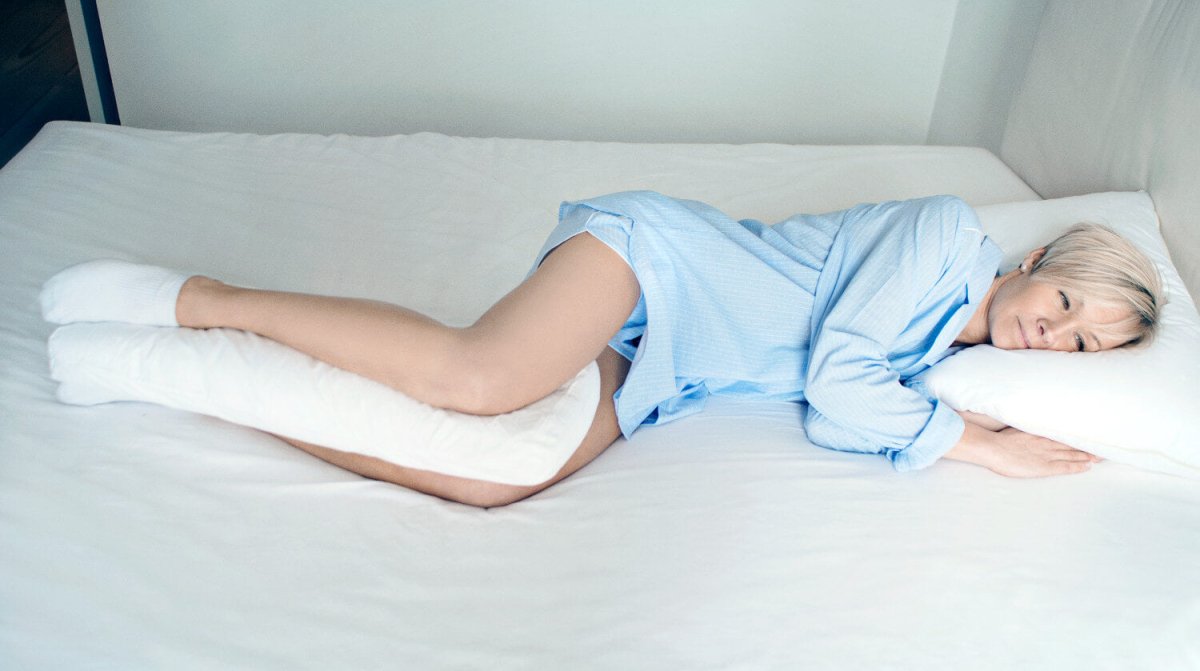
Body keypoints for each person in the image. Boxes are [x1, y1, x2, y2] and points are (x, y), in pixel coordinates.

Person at [40, 192, 1162, 507]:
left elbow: (841, 408)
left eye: (1077, 347)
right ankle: (198, 300)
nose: (1050, 334)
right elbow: (836, 384)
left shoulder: (935, 360)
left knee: (500, 473)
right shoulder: (946, 239)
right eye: (1065, 301)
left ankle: (160, 370)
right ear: (1035, 258)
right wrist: (974, 443)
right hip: (654, 267)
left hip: (673, 362)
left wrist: (945, 412)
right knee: (479, 378)